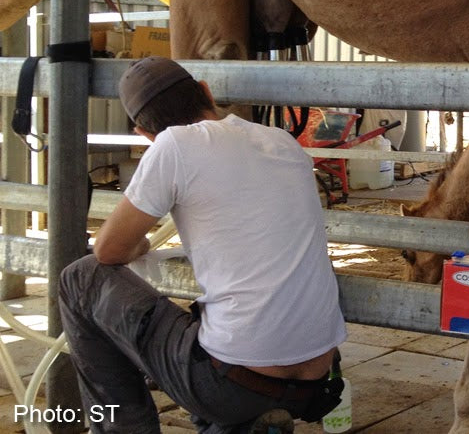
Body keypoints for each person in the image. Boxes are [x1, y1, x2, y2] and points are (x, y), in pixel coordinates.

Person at [58, 56, 347, 433]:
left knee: (80, 279)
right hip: (316, 380)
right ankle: (248, 424)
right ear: (206, 92)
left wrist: (140, 246)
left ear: (145, 133)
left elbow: (108, 251)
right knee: (210, 327)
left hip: (228, 383)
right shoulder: (282, 142)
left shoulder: (173, 145)